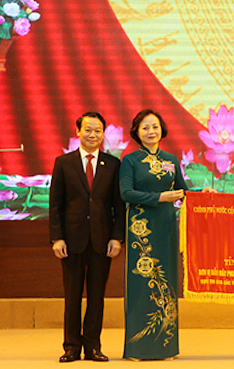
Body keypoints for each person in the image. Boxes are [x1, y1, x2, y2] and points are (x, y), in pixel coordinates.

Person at [49, 111, 125, 363]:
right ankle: (71, 346)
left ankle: (92, 346)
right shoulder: (63, 162)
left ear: (103, 134)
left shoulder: (113, 165)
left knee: (96, 296)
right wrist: (56, 238)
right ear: (78, 132)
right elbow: (55, 205)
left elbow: (118, 206)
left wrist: (117, 238)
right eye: (88, 130)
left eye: (98, 131)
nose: (93, 135)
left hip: (102, 241)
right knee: (72, 296)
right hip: (71, 241)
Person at [119, 109, 188, 360]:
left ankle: (165, 346)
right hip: (141, 228)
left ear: (162, 130)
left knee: (167, 282)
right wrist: (160, 198)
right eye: (145, 127)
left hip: (166, 225)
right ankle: (138, 347)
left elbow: (183, 190)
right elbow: (126, 193)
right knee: (142, 283)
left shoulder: (171, 159)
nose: (151, 131)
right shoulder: (130, 161)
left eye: (155, 126)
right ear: (137, 132)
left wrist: (205, 192)